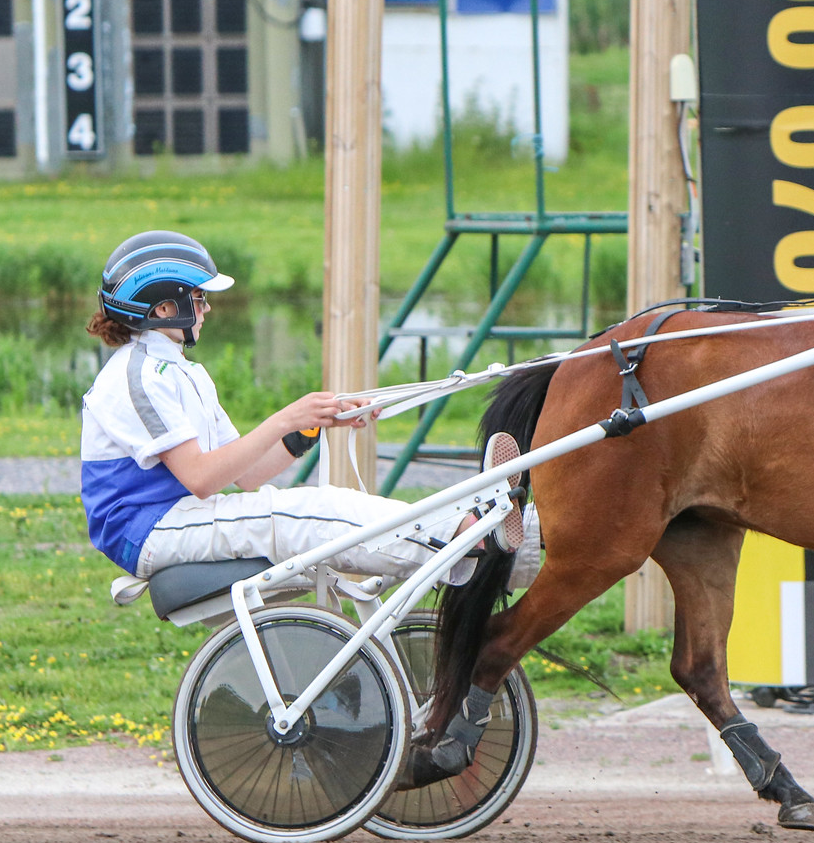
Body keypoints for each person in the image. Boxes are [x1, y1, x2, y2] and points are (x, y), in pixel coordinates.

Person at [80, 230, 535, 587]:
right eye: (199, 298)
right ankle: (468, 535)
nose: (208, 309)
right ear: (164, 307)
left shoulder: (182, 372)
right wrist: (285, 417)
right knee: (311, 513)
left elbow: (246, 475)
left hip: (177, 519)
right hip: (149, 532)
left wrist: (314, 427)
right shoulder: (139, 375)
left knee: (319, 529)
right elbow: (201, 479)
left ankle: (497, 548)